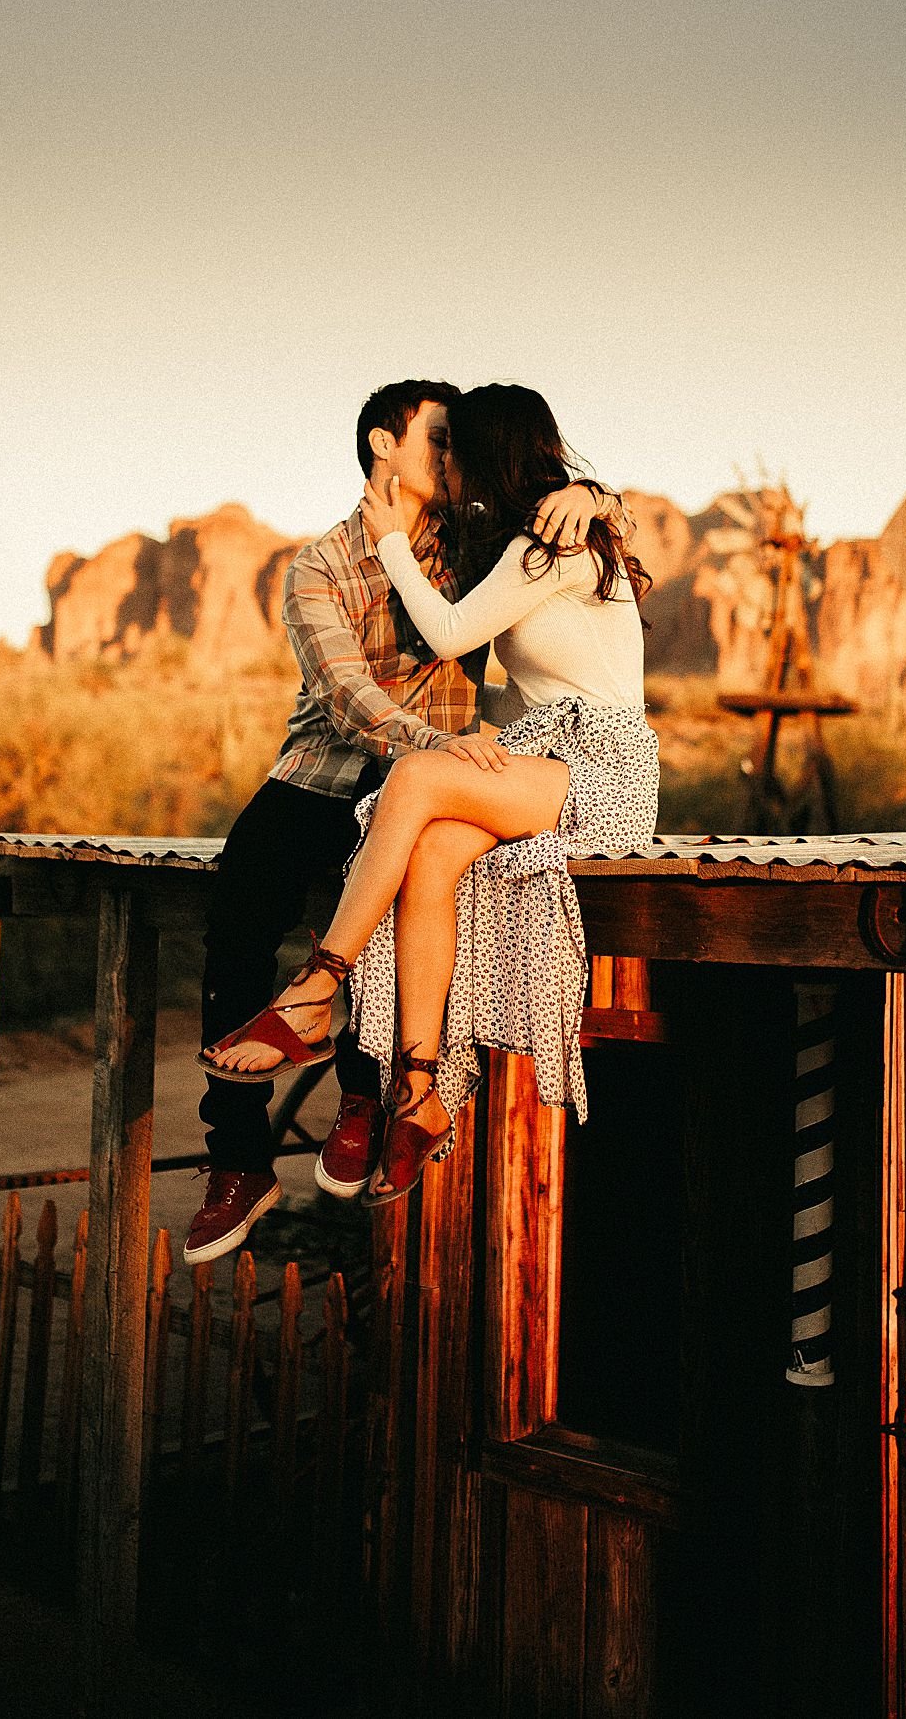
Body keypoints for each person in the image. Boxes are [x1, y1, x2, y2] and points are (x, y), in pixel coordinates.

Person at [183, 379, 616, 1262]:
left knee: (392, 866)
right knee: (240, 901)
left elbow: (577, 537)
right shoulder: (318, 567)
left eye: (460, 444)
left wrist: (596, 494)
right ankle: (238, 1160)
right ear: (386, 445)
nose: (452, 457)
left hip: (435, 779)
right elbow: (346, 694)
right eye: (440, 440)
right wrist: (437, 747)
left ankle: (364, 1094)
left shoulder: (477, 541)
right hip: (331, 767)